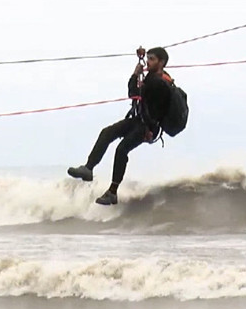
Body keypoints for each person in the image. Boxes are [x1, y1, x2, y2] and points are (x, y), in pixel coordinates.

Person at [68, 46, 172, 205]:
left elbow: (134, 94)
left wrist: (135, 74)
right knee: (107, 133)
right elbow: (138, 96)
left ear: (162, 62)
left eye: (152, 59)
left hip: (147, 125)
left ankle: (112, 192)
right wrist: (139, 69)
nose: (148, 62)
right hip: (139, 120)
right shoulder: (152, 77)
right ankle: (88, 169)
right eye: (148, 58)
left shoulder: (158, 82)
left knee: (121, 149)